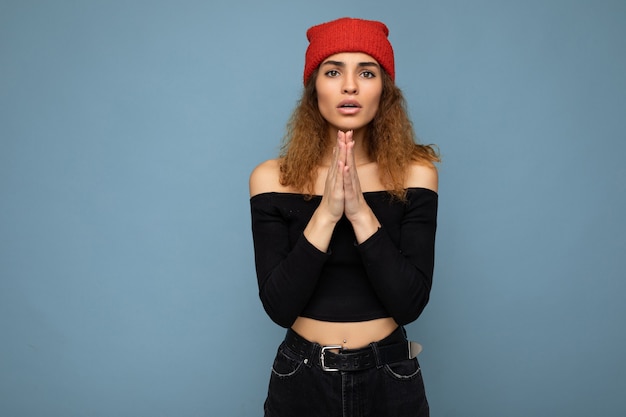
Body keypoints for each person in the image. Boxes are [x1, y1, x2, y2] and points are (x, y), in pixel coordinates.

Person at [249, 17, 440, 417]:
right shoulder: (271, 179)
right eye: (333, 71)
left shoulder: (416, 174)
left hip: (390, 378)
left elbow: (409, 305)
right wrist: (327, 213)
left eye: (366, 72)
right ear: (314, 88)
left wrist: (359, 212)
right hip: (301, 380)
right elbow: (279, 308)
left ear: (384, 90)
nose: (349, 85)